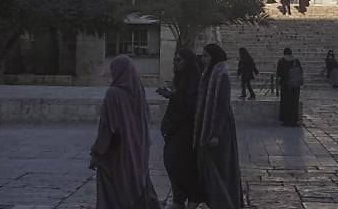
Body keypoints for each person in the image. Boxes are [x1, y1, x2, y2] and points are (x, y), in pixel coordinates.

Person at [89, 54, 160, 209]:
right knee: (137, 182)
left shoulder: (113, 93)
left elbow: (107, 127)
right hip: (137, 151)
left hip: (117, 154)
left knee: (114, 190)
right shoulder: (138, 91)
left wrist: (97, 152)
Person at [194, 43, 243, 208]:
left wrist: (215, 133)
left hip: (220, 130)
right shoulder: (208, 73)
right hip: (207, 127)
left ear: (214, 57)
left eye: (206, 55)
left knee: (221, 168)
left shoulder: (221, 75)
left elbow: (222, 106)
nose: (203, 58)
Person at [157, 48, 205, 209]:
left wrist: (173, 95)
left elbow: (189, 104)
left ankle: (192, 196)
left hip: (186, 129)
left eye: (179, 60)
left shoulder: (193, 79)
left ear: (188, 62)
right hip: (176, 127)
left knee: (180, 163)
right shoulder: (181, 78)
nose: (175, 63)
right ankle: (179, 198)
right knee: (172, 162)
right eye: (174, 60)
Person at [275, 48, 303, 127]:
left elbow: (278, 73)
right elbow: (300, 71)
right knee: (294, 102)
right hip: (295, 85)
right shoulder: (296, 61)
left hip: (285, 85)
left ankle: (285, 120)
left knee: (285, 102)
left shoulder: (282, 61)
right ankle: (294, 120)